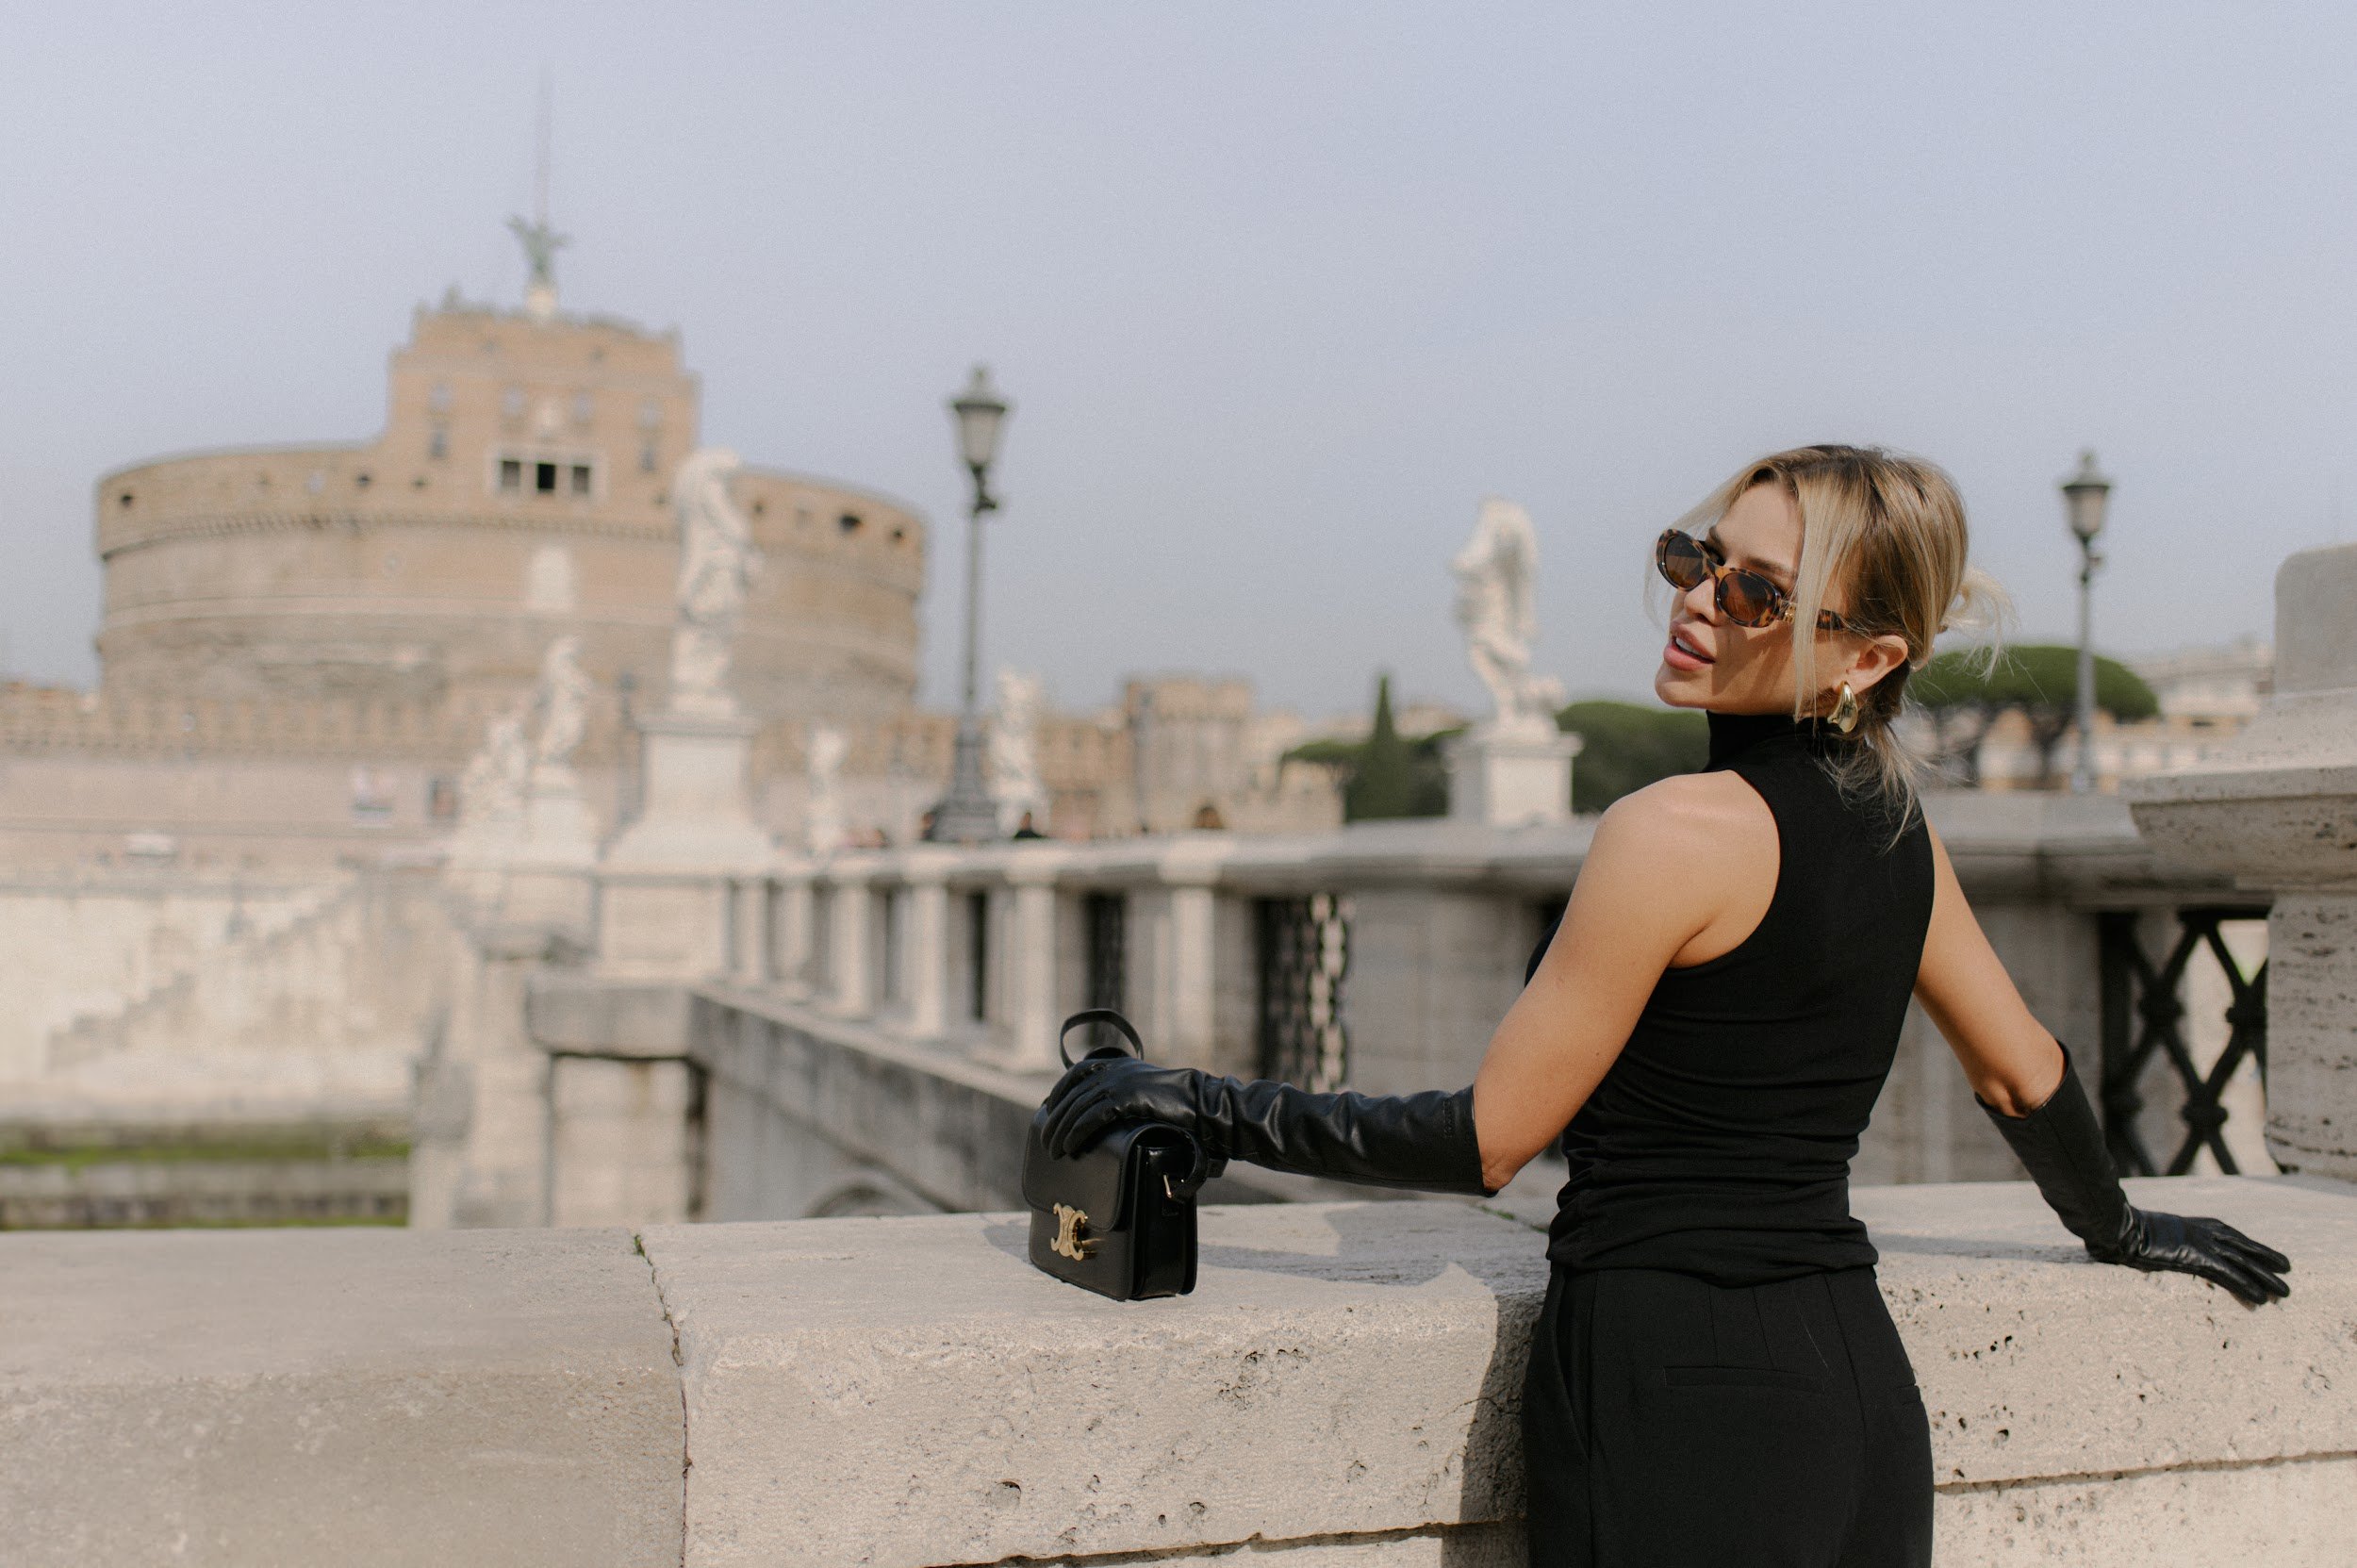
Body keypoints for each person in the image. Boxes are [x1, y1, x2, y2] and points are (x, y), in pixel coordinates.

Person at [1038, 445, 2292, 1567]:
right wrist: (2120, 1230)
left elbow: (1491, 1138)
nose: (1702, 599)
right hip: (1857, 1403)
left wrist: (1208, 1103)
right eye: (1700, 558)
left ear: (1869, 657)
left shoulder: (1666, 833)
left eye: (1757, 592)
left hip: (1671, 1398)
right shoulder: (1902, 835)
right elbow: (2022, 1072)